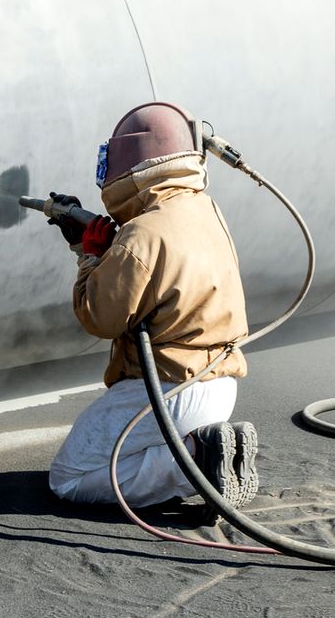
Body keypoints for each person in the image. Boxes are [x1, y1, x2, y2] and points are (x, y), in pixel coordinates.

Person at [40, 102, 260, 508]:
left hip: (168, 391)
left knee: (69, 478)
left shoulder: (142, 233)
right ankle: (203, 450)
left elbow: (100, 317)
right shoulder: (203, 208)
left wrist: (88, 259)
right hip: (217, 384)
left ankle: (196, 458)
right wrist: (107, 252)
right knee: (116, 458)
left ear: (130, 163)